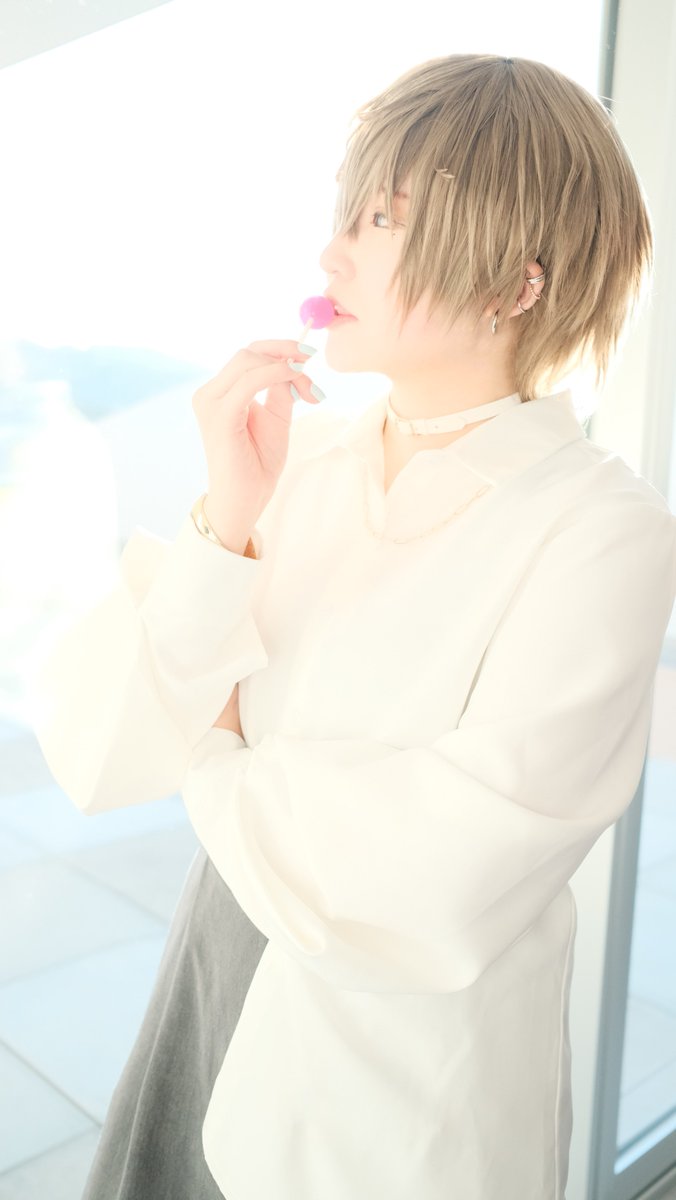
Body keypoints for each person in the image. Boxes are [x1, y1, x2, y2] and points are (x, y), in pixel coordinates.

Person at [28, 52, 676, 1200]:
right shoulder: (299, 459)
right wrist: (224, 522)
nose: (332, 254)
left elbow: (439, 878)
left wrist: (217, 752)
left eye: (382, 219)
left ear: (516, 282)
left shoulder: (601, 531)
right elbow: (100, 747)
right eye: (348, 212)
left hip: (394, 1096)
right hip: (211, 977)